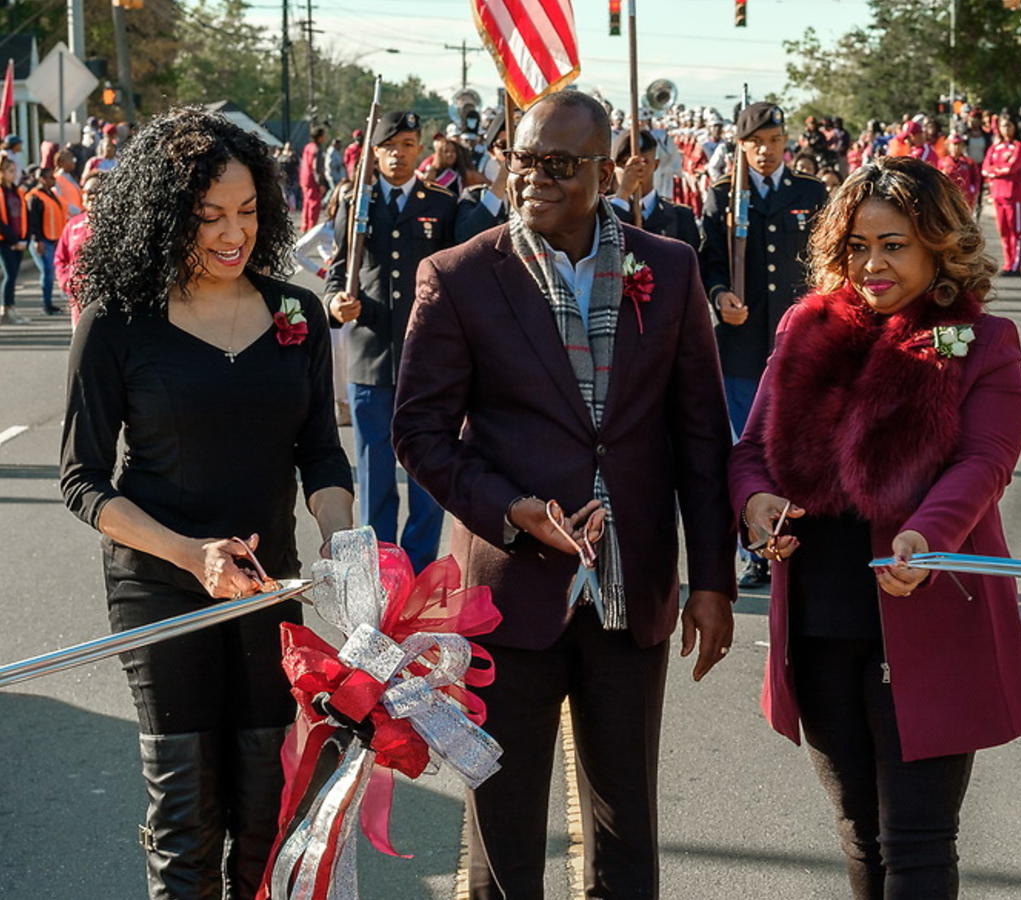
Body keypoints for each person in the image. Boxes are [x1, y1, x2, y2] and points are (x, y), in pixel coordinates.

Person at [392, 89, 735, 900]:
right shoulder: (459, 276)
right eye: (522, 160)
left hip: (631, 593)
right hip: (508, 602)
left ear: (606, 171)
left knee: (628, 838)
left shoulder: (671, 268)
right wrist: (512, 513)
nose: (533, 179)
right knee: (503, 850)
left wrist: (713, 582)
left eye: (558, 164)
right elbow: (421, 434)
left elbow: (700, 438)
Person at [59, 107, 355, 899]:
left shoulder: (299, 312)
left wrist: (343, 541)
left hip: (270, 587)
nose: (235, 234)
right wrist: (193, 555)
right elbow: (83, 481)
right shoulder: (115, 322)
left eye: (250, 211)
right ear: (164, 216)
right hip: (160, 589)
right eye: (210, 216)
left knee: (268, 807)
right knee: (186, 818)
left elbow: (320, 455)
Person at [727, 155, 1021, 899]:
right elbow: (749, 452)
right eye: (857, 246)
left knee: (919, 845)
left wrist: (928, 535)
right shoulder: (807, 324)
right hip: (821, 621)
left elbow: (985, 461)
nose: (872, 264)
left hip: (929, 613)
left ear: (939, 244)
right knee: (860, 837)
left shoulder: (981, 340)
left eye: (893, 244)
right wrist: (755, 505)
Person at [699, 101, 828, 588]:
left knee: (799, 446)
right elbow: (709, 261)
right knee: (746, 449)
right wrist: (719, 295)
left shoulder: (811, 193)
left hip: (803, 344)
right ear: (740, 146)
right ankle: (753, 548)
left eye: (775, 141)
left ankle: (800, 538)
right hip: (742, 344)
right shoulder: (722, 197)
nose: (767, 151)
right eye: (756, 143)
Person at [323, 110, 456, 570]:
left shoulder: (440, 202)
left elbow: (454, 275)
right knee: (375, 471)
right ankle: (379, 574)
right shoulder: (354, 201)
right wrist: (333, 302)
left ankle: (418, 574)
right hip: (371, 352)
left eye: (408, 144)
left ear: (420, 150)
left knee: (426, 474)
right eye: (390, 145)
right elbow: (340, 267)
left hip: (426, 358)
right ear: (374, 152)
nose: (399, 154)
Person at [610, 129, 701, 247]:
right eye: (624, 163)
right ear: (613, 168)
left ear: (656, 165)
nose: (636, 169)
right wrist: (623, 195)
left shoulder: (680, 217)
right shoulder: (599, 213)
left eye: (644, 162)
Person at [0, 155, 30, 325]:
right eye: (10, 171)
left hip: (19, 240)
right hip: (3, 241)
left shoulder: (18, 192)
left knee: (14, 275)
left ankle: (12, 308)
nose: (14, 174)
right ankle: (5, 309)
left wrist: (24, 239)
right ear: (1, 173)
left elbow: (26, 216)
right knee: (9, 274)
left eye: (14, 170)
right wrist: (13, 239)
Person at [983, 116, 1021, 276]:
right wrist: (998, 170)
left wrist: (996, 170)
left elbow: (1013, 167)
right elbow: (985, 169)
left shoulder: (1019, 146)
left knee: (1016, 231)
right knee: (1003, 231)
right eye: (1003, 126)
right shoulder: (995, 148)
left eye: (1009, 125)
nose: (1006, 129)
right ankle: (1008, 263)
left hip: (1014, 194)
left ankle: (1016, 265)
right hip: (998, 193)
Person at [56, 172, 98, 327]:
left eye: (95, 192)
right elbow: (60, 258)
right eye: (86, 192)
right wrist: (66, 281)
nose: (89, 196)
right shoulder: (73, 225)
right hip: (78, 299)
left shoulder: (117, 226)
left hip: (104, 300)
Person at [26, 166, 69, 316]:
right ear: (42, 179)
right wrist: (37, 240)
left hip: (53, 238)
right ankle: (47, 304)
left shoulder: (51, 194)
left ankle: (49, 303)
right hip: (42, 240)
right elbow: (33, 221)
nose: (54, 180)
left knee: (51, 272)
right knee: (47, 272)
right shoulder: (34, 197)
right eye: (51, 177)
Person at [937, 134, 979, 209]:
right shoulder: (942, 162)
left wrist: (973, 190)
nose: (956, 147)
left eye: (959, 144)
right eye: (954, 144)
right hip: (949, 198)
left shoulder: (969, 162)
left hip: (965, 198)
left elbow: (976, 178)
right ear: (949, 146)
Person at [298, 126, 327, 229]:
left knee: (306, 203)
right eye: (324, 135)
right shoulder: (317, 149)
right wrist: (321, 184)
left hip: (304, 178)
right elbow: (316, 168)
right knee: (315, 204)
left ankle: (304, 226)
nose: (325, 137)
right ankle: (311, 227)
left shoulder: (308, 146)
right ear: (319, 137)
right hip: (312, 180)